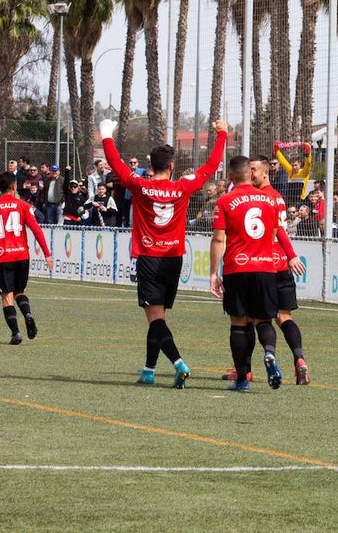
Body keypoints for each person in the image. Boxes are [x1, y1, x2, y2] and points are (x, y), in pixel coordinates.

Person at [101, 117, 228, 388]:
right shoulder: (182, 186)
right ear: (171, 167)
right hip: (173, 259)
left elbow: (116, 165)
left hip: (149, 258)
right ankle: (148, 370)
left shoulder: (140, 185)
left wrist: (106, 135)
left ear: (151, 166)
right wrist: (222, 136)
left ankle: (179, 363)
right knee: (157, 316)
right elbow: (210, 168)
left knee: (155, 317)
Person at [210, 155, 305, 392]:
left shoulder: (225, 201)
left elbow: (219, 238)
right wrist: (291, 254)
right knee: (265, 319)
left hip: (237, 267)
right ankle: (270, 353)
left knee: (239, 324)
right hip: (266, 268)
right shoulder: (270, 200)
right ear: (249, 173)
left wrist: (213, 272)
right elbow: (278, 231)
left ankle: (242, 379)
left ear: (231, 176)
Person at [0, 171, 54, 344]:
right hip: (21, 255)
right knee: (19, 292)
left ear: (0, 187)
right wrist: (47, 254)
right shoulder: (23, 206)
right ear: (13, 186)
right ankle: (27, 313)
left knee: (6, 296)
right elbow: (36, 230)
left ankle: (16, 333)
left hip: (3, 256)